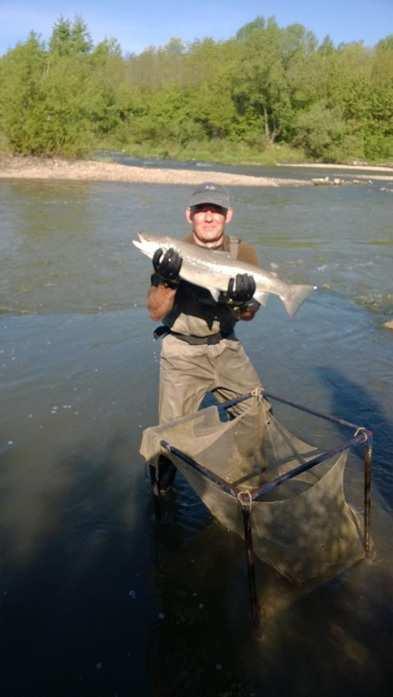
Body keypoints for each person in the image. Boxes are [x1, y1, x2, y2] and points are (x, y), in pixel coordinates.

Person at [146, 182, 262, 491]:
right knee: (170, 437)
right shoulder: (171, 252)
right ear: (189, 215)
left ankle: (247, 481)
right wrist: (168, 281)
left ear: (228, 215)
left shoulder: (244, 252)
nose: (209, 218)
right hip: (181, 353)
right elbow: (155, 312)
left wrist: (241, 302)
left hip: (227, 347)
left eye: (216, 211)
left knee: (259, 415)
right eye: (201, 211)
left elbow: (248, 315)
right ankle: (162, 492)